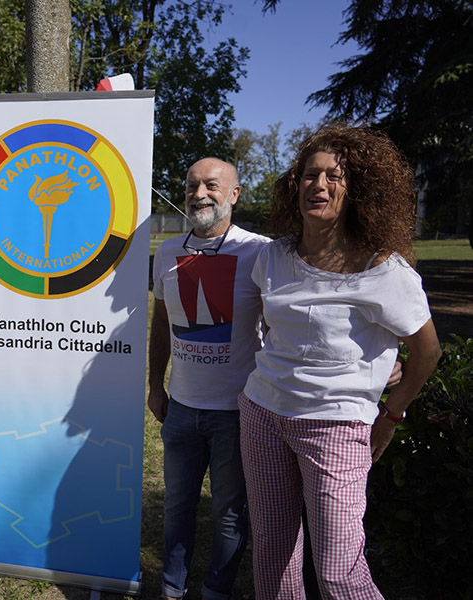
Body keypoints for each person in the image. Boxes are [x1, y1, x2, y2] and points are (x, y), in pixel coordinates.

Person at [239, 124, 442, 599]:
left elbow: (428, 351)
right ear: (296, 185)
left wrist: (390, 415)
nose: (320, 184)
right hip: (263, 416)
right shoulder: (273, 256)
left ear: (356, 192)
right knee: (272, 554)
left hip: (335, 428)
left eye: (334, 176)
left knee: (338, 571)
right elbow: (275, 329)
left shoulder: (384, 271)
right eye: (311, 175)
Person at [148, 158, 268, 600]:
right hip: (181, 408)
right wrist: (155, 386)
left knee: (229, 513)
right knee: (176, 506)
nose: (199, 194)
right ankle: (172, 587)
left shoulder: (261, 252)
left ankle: (216, 591)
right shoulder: (167, 252)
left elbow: (285, 325)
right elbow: (161, 324)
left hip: (237, 411)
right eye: (192, 185)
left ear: (234, 194)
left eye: (211, 185)